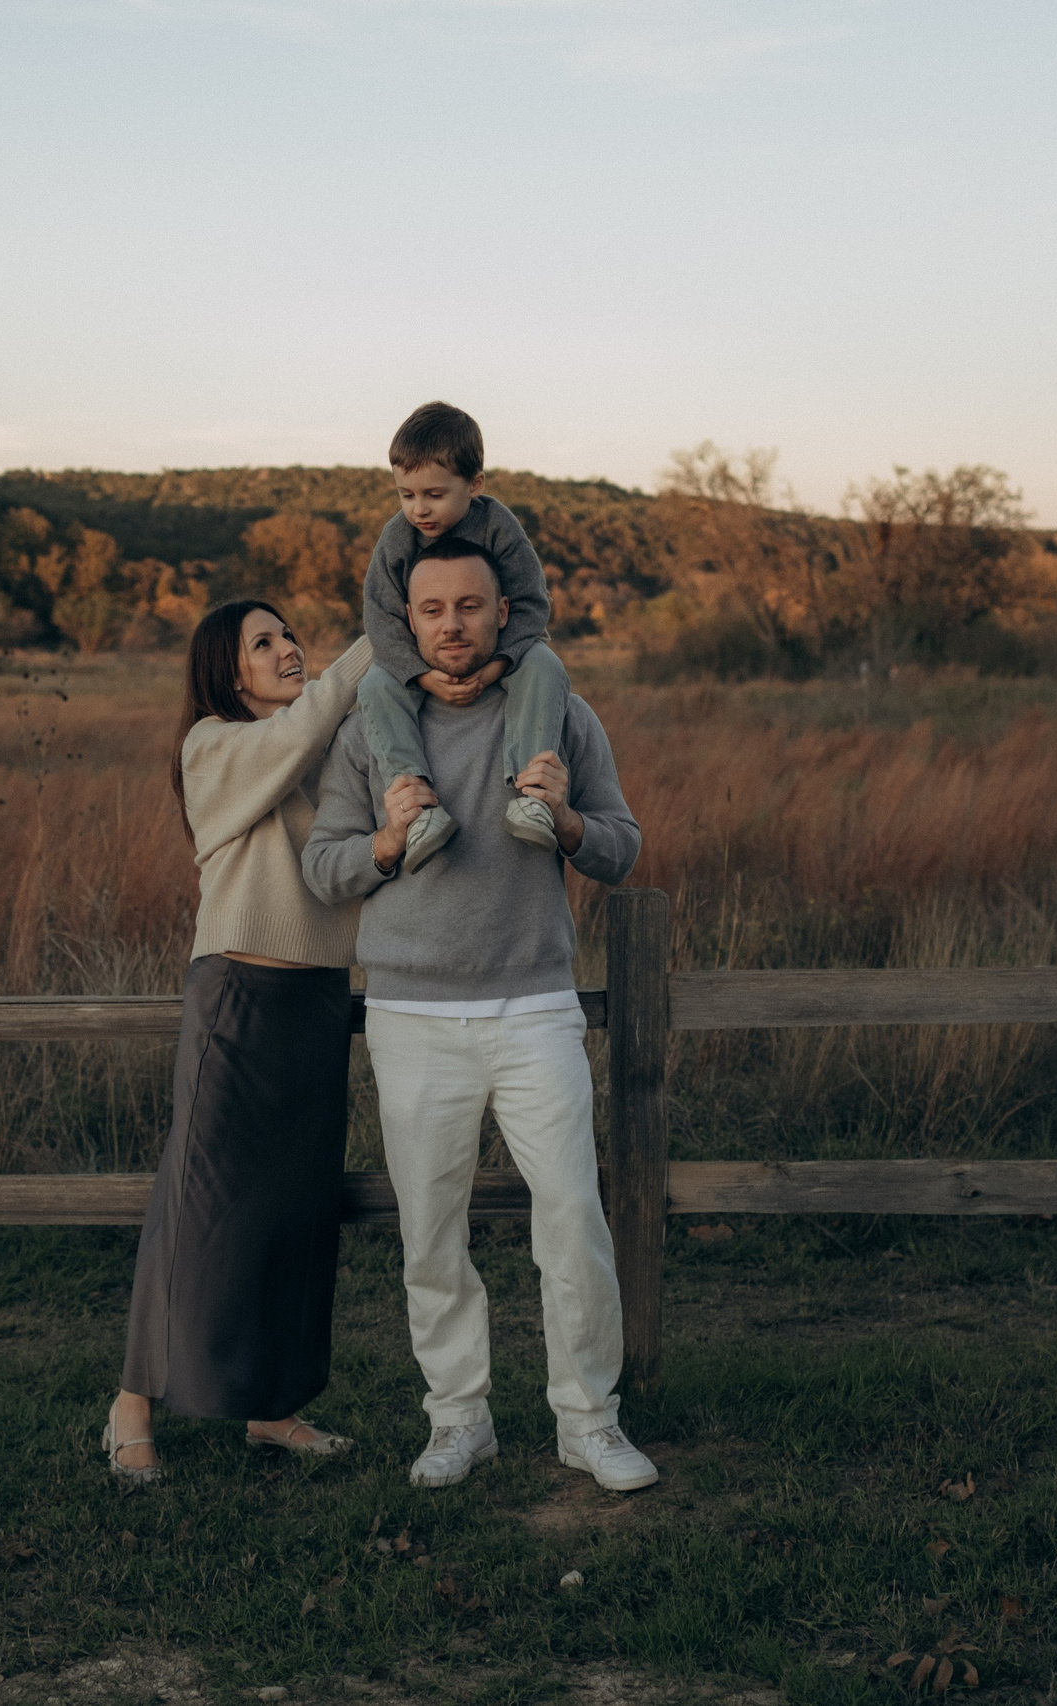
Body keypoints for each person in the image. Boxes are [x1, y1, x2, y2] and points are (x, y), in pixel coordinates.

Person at [302, 541, 659, 1493]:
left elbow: (622, 846)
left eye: (470, 606)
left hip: (534, 1005)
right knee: (430, 1231)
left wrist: (571, 823)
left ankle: (590, 1421)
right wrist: (384, 842)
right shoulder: (369, 730)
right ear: (407, 620)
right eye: (432, 610)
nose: (451, 625)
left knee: (575, 1217)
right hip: (412, 1014)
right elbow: (323, 865)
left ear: (504, 612)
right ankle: (459, 1421)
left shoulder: (559, 716)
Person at [106, 602, 373, 1485]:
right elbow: (293, 738)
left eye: (289, 635)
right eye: (264, 643)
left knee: (297, 1211)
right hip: (239, 997)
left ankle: (274, 1409)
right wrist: (380, 639)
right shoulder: (216, 746)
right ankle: (132, 1403)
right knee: (197, 1206)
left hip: (319, 999)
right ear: (229, 674)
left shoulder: (321, 745)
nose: (289, 649)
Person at [359, 401, 575, 873]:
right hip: (423, 666)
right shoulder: (398, 538)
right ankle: (416, 809)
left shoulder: (498, 526)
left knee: (545, 664)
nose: (419, 509)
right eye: (406, 494)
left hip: (499, 656)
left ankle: (531, 797)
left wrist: (499, 665)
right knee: (374, 684)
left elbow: (531, 603)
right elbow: (380, 618)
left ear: (474, 485)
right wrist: (421, 677)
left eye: (434, 494)